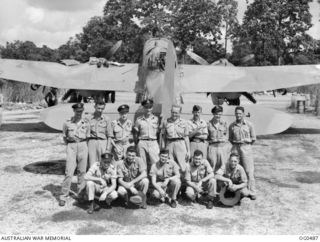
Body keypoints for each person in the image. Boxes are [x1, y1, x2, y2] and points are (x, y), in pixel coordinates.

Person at [59, 103, 90, 206]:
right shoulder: (67, 123)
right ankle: (64, 195)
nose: (79, 113)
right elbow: (64, 137)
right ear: (74, 111)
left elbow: (88, 136)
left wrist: (82, 145)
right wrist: (70, 144)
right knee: (69, 172)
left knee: (82, 172)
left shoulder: (86, 122)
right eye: (77, 111)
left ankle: (81, 195)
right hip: (71, 146)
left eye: (80, 111)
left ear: (82, 111)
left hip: (83, 145)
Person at [229, 106, 256, 200]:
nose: (238, 115)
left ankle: (252, 191)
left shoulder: (249, 125)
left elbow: (253, 139)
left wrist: (246, 145)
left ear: (243, 114)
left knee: (249, 170)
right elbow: (230, 139)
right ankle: (239, 190)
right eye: (237, 113)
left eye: (240, 113)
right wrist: (237, 146)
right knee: (236, 169)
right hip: (236, 147)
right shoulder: (232, 126)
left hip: (246, 147)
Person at [161, 105, 190, 173]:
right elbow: (163, 136)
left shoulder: (184, 122)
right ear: (171, 112)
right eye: (173, 112)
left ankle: (185, 181)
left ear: (180, 113)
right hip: (169, 144)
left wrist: (188, 151)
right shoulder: (166, 122)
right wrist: (163, 147)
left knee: (183, 165)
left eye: (176, 113)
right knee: (170, 165)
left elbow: (186, 137)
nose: (174, 114)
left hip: (180, 144)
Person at [133, 99, 160, 171]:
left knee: (156, 161)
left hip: (153, 141)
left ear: (152, 108)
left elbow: (158, 132)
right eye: (146, 107)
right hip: (142, 141)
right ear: (143, 108)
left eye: (150, 107)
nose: (148, 109)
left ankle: (155, 179)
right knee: (142, 162)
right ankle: (144, 179)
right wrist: (137, 144)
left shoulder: (156, 119)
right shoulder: (139, 120)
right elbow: (135, 134)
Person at [87, 101, 113, 167]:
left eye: (102, 109)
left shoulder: (107, 119)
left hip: (103, 142)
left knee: (104, 161)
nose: (100, 110)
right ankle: (92, 176)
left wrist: (107, 148)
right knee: (92, 161)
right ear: (94, 107)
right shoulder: (88, 118)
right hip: (92, 141)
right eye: (98, 108)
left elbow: (110, 135)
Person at [207, 106, 228, 171]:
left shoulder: (224, 123)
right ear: (213, 114)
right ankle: (212, 180)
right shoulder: (208, 124)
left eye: (220, 114)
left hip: (222, 148)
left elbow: (226, 136)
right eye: (216, 114)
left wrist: (223, 140)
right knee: (212, 165)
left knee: (223, 166)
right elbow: (206, 138)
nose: (218, 116)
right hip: (212, 148)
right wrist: (212, 140)